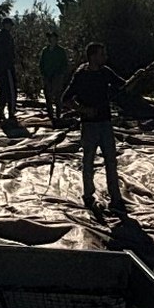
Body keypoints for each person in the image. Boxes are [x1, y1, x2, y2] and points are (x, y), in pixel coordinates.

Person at [60, 41, 128, 210]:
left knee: (111, 161)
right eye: (101, 54)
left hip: (105, 124)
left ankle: (116, 199)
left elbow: (124, 86)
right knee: (88, 161)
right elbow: (65, 100)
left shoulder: (105, 72)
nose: (105, 57)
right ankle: (88, 196)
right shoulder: (81, 75)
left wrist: (138, 78)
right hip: (89, 126)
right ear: (93, 56)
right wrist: (83, 110)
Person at [38, 31, 69, 124]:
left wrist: (60, 74)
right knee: (48, 96)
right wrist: (43, 74)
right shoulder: (45, 51)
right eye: (50, 38)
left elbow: (65, 64)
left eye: (54, 38)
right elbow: (41, 64)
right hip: (47, 76)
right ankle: (51, 115)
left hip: (57, 76)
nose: (52, 40)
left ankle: (58, 114)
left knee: (58, 96)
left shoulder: (61, 51)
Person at [0, 20, 18, 122]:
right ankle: (10, 112)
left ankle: (1, 112)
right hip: (6, 68)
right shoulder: (4, 37)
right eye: (9, 25)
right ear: (5, 25)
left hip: (0, 68)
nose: (10, 27)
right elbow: (5, 53)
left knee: (2, 91)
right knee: (10, 91)